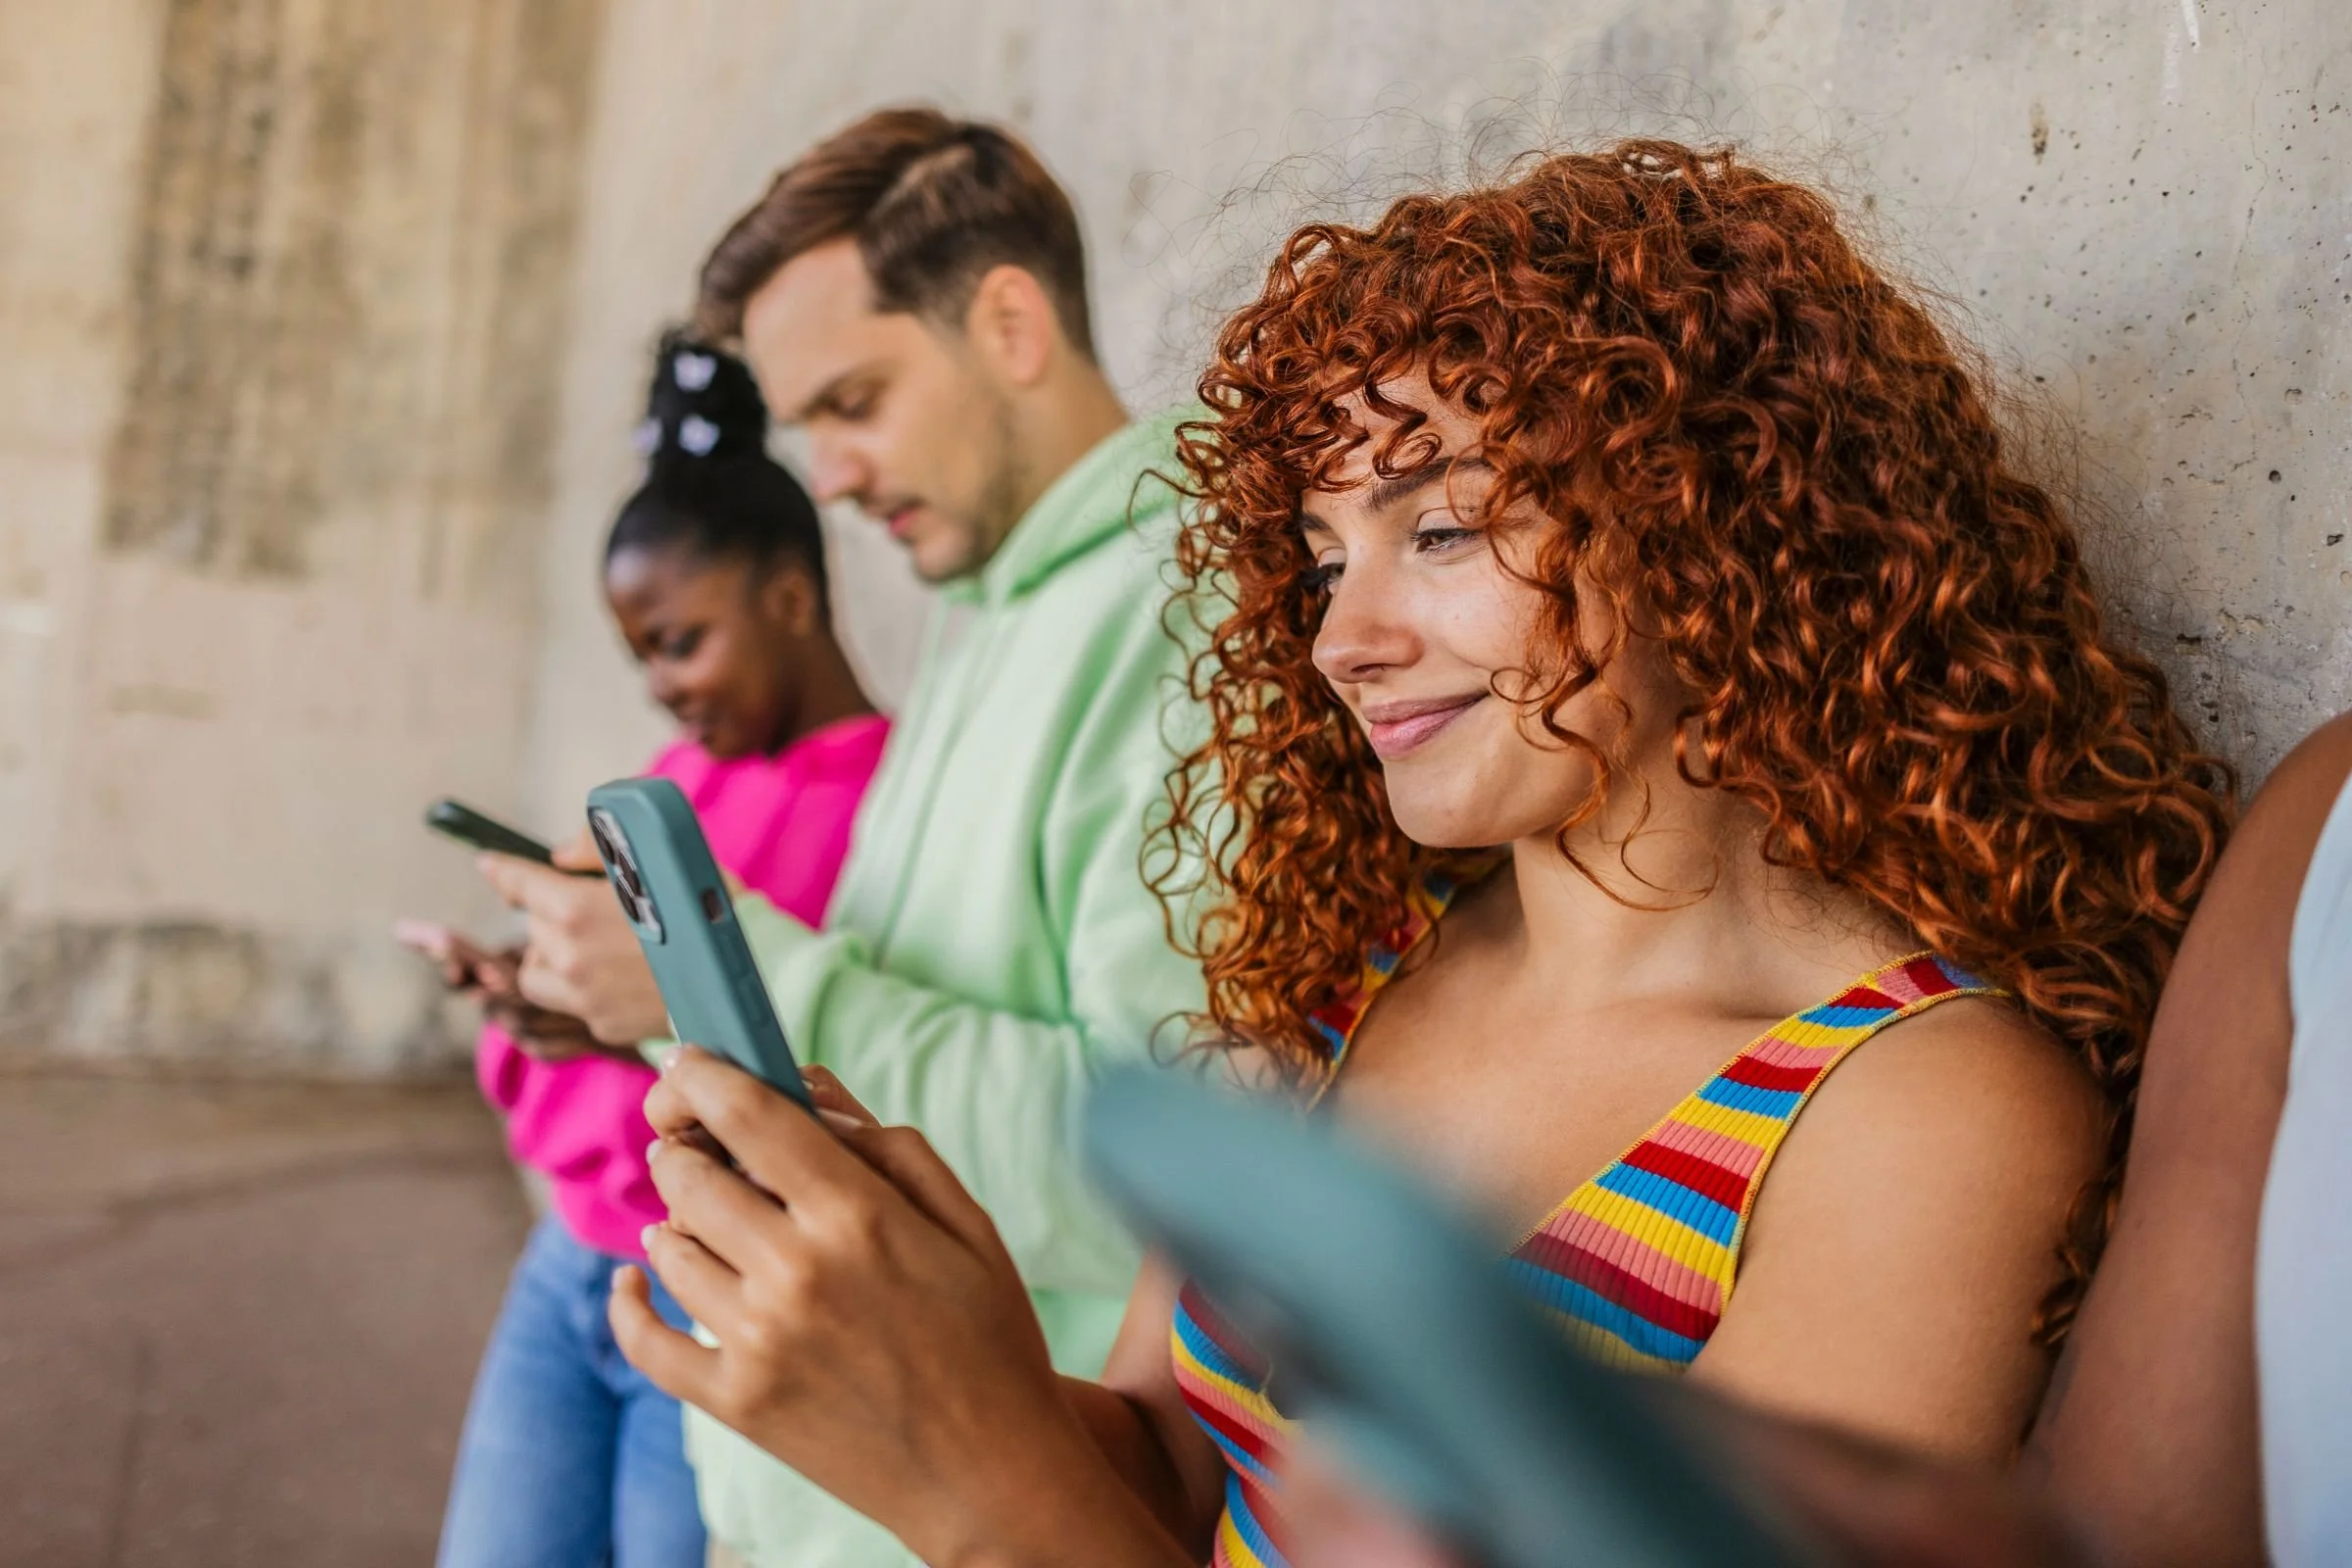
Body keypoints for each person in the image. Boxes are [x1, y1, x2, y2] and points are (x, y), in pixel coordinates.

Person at [605, 140, 2232, 1568]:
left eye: (1439, 530)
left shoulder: (1922, 1110)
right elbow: (1172, 1468)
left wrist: (972, 1481)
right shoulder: (1346, 981)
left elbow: (1037, 1509)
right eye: (1321, 563)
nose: (1341, 643)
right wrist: (919, 1339)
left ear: (1710, 520)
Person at [474, 108, 1206, 1568]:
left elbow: (1167, 1176)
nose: (832, 476)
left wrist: (747, 980)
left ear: (1008, 322)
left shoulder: (1183, 607)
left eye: (854, 401)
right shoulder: (992, 607)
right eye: (805, 426)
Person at [420, 333, 887, 1568]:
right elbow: (623, 1011)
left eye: (680, 641)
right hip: (566, 1254)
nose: (661, 687)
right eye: (639, 655)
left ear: (790, 594)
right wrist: (536, 999)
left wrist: (625, 1015)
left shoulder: (886, 804)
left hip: (707, 1278)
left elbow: (824, 1065)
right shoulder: (666, 786)